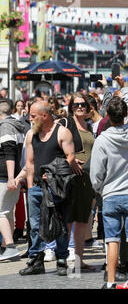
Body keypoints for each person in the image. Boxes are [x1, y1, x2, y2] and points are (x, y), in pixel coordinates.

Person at [90, 75, 128, 289]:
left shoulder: (102, 139)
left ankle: (111, 281)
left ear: (108, 117)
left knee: (112, 240)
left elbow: (96, 173)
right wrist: (125, 87)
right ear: (124, 115)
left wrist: (99, 188)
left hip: (111, 194)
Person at [19, 100, 82, 276]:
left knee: (59, 223)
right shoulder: (32, 134)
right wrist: (31, 186)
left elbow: (70, 158)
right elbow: (30, 163)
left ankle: (61, 259)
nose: (30, 119)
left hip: (57, 188)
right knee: (35, 226)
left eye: (33, 116)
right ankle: (36, 260)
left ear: (44, 116)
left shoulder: (62, 132)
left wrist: (53, 174)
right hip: (37, 188)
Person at [65, 93, 96, 271]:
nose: (80, 107)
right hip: (71, 178)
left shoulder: (90, 126)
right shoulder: (66, 124)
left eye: (83, 104)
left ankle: (79, 260)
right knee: (69, 220)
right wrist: (70, 160)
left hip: (88, 179)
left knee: (83, 221)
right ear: (71, 106)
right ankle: (62, 258)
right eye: (76, 104)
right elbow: (56, 145)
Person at [0, 100, 25, 261]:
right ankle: (5, 248)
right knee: (7, 212)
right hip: (13, 176)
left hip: (6, 177)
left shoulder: (5, 126)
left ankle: (9, 246)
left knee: (1, 212)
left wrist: (11, 178)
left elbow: (9, 152)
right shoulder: (18, 125)